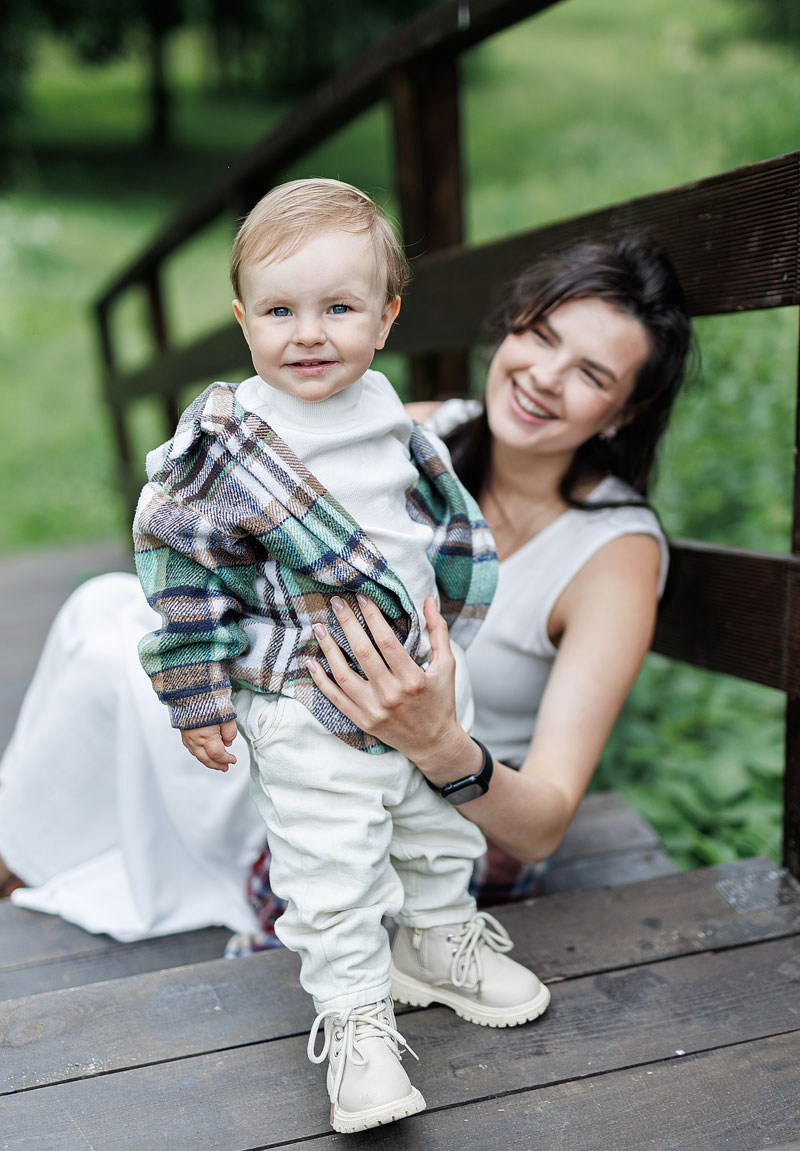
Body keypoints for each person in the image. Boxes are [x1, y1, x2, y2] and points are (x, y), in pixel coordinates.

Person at [0, 233, 691, 1071]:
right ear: (508, 332)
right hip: (303, 739)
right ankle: (18, 865)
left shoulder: (613, 553)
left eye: (591, 373)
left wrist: (435, 740)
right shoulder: (416, 428)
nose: (545, 376)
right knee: (105, 614)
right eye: (540, 337)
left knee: (104, 633)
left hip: (444, 816)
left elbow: (544, 825)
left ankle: (29, 861)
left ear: (622, 412)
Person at [131, 177, 549, 1135]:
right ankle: (355, 1022)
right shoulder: (226, 445)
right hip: (305, 695)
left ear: (386, 316)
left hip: (422, 674)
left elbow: (418, 506)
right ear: (242, 321)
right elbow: (179, 574)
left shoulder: (383, 408)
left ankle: (441, 941)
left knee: (438, 829)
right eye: (279, 310)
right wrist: (197, 698)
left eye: (339, 308)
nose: (308, 334)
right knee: (332, 866)